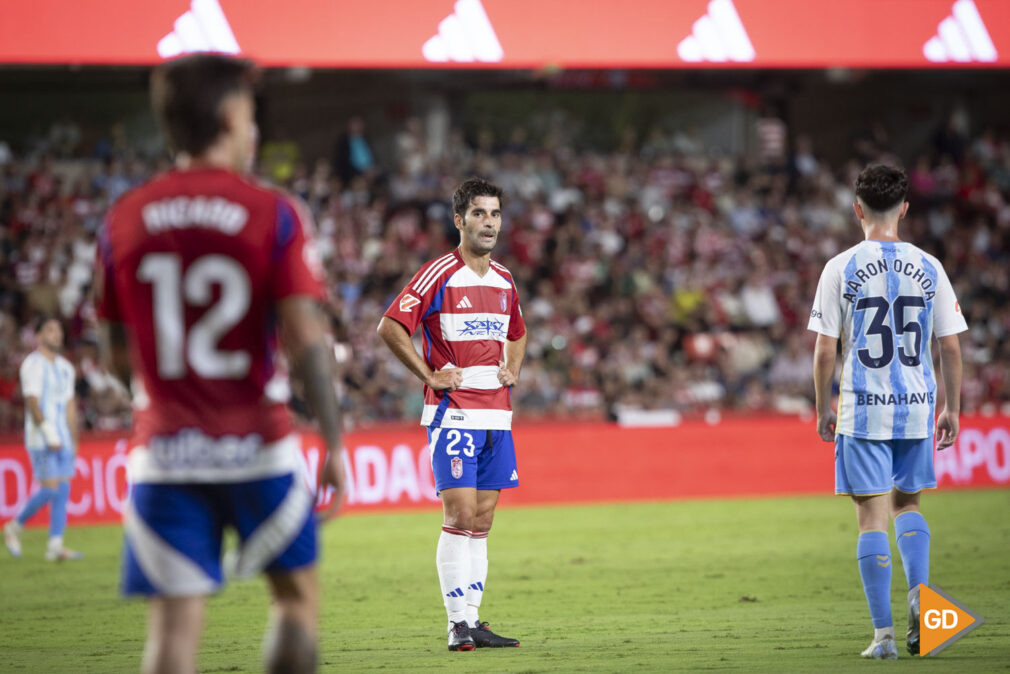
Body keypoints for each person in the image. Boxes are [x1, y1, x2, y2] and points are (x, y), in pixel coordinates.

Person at [94, 54, 346, 674]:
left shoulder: (123, 218)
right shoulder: (273, 211)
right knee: (294, 603)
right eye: (251, 113)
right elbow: (306, 340)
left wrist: (162, 402)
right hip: (257, 447)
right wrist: (334, 442)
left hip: (165, 454)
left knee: (172, 637)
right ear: (231, 115)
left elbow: (116, 356)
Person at [808, 164, 967, 660]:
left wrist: (822, 408)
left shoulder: (840, 267)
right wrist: (952, 409)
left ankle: (884, 638)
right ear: (904, 207)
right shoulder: (930, 266)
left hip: (863, 409)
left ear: (857, 209)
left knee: (871, 516)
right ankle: (929, 619)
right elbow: (952, 348)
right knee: (909, 506)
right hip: (917, 407)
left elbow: (824, 351)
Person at [377, 177, 526, 651]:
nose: (489, 223)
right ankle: (455, 624)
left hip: (496, 416)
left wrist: (513, 368)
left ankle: (473, 621)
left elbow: (518, 332)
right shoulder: (438, 272)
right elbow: (390, 326)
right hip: (454, 411)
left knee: (482, 521)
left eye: (495, 214)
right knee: (459, 513)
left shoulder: (504, 280)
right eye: (479, 214)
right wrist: (429, 373)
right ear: (459, 220)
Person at [3, 316, 82, 561]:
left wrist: (74, 439)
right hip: (42, 438)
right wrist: (49, 432)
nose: (56, 334)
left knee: (63, 489)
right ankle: (14, 526)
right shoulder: (33, 364)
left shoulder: (66, 368)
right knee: (49, 489)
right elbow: (31, 401)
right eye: (49, 330)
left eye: (58, 330)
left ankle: (55, 546)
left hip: (64, 439)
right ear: (38, 336)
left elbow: (70, 407)